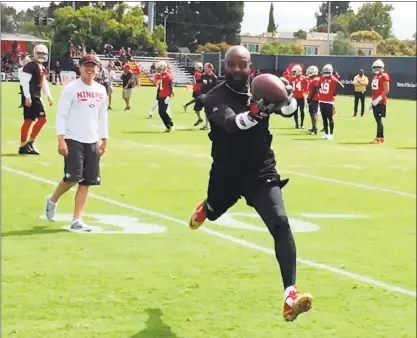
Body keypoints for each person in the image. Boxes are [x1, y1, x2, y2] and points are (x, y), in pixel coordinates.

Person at [189, 45, 312, 322]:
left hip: (260, 170)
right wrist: (257, 112)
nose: (236, 70)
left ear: (250, 65)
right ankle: (207, 208)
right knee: (216, 209)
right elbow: (233, 124)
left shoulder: (261, 86)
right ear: (224, 65)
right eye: (231, 64)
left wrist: (286, 95)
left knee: (280, 222)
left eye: (241, 65)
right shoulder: (213, 97)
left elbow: (290, 111)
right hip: (227, 172)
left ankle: (290, 295)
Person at [45, 54, 108, 232]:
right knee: (72, 177)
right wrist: (61, 138)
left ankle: (77, 219)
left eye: (93, 66)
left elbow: (102, 116)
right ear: (80, 67)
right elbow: (62, 114)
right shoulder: (71, 89)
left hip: (92, 139)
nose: (90, 69)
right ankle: (52, 200)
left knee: (87, 181)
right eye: (86, 65)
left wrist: (104, 139)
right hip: (73, 138)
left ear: (98, 68)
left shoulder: (101, 90)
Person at [18, 44, 53, 155]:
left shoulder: (40, 67)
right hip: (32, 96)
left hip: (34, 95)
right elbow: (24, 82)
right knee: (42, 119)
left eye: (43, 54)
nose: (41, 56)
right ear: (34, 54)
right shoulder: (30, 66)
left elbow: (43, 82)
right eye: (39, 53)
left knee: (29, 120)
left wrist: (48, 95)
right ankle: (29, 143)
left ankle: (24, 146)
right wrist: (27, 96)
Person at [370, 59, 390, 144]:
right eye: (375, 67)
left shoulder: (384, 76)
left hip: (380, 101)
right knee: (378, 120)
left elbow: (386, 90)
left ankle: (379, 137)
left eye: (378, 67)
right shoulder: (375, 77)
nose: (376, 69)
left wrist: (378, 99)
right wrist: (372, 101)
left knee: (379, 120)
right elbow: (375, 90)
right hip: (375, 101)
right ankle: (380, 137)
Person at [318, 64, 340, 140]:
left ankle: (331, 134)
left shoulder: (334, 79)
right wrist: (320, 92)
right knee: (324, 118)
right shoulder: (321, 78)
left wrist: (334, 93)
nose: (326, 73)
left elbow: (340, 86)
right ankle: (326, 133)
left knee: (330, 118)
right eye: (325, 71)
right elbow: (318, 86)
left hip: (329, 102)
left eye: (328, 71)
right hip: (322, 100)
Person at [194, 63, 218, 130]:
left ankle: (206, 125)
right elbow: (197, 80)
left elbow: (215, 88)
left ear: (210, 68)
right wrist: (200, 80)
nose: (204, 68)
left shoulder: (214, 77)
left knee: (206, 111)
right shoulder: (203, 75)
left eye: (205, 67)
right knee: (196, 108)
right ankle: (199, 118)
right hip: (201, 95)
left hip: (209, 96)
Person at [154, 61, 175, 132]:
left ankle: (170, 123)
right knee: (160, 112)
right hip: (161, 95)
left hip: (166, 95)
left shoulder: (168, 75)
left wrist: (169, 95)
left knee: (163, 111)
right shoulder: (160, 75)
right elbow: (157, 83)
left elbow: (171, 85)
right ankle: (168, 126)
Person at [289, 64, 307, 129]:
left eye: (294, 71)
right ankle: (298, 124)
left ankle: (300, 124)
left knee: (300, 111)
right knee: (296, 111)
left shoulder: (302, 78)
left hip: (300, 97)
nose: (293, 73)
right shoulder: (302, 78)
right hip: (297, 97)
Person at [306, 65, 320, 135]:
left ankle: (314, 129)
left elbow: (314, 89)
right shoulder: (317, 79)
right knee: (314, 113)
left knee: (313, 113)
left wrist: (309, 98)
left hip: (314, 99)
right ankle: (314, 127)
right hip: (316, 98)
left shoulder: (315, 80)